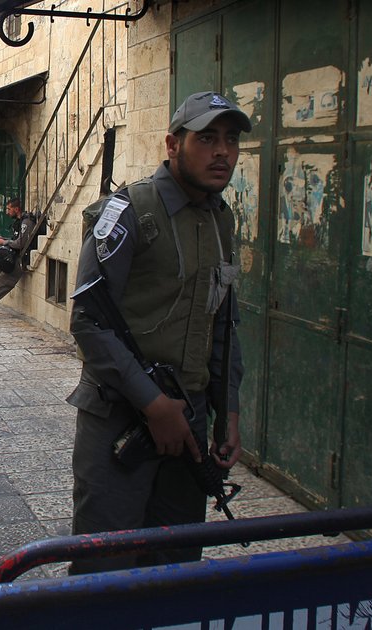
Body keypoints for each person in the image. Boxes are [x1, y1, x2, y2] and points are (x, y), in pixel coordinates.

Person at [66, 91, 246, 574]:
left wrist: (227, 408)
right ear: (173, 144)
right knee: (106, 569)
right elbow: (88, 320)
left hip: (188, 422)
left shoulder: (221, 220)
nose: (222, 152)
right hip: (121, 421)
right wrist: (153, 403)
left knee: (176, 564)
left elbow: (223, 323)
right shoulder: (127, 211)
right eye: (207, 138)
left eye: (231, 140)